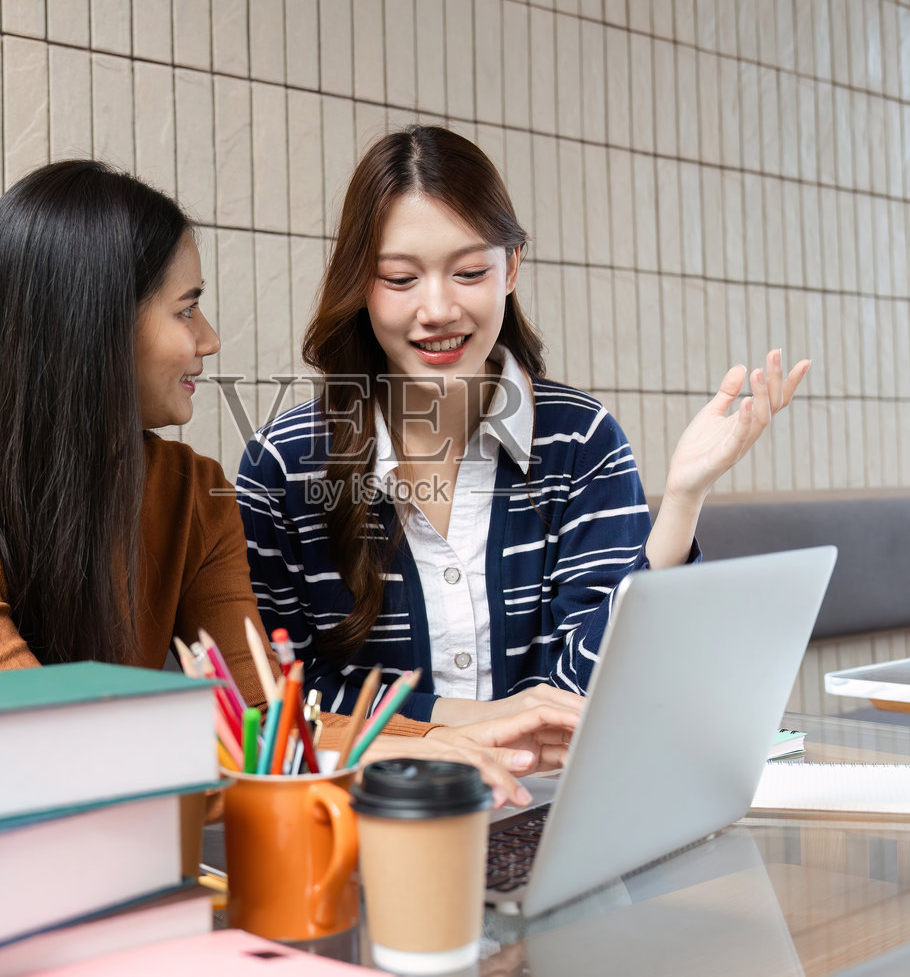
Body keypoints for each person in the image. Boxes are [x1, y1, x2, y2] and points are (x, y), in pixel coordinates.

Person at [0, 159, 574, 806]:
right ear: (95, 327)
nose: (209, 339)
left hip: (100, 857)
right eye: (187, 309)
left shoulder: (189, 490)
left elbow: (261, 719)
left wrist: (441, 738)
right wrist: (379, 755)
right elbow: (39, 743)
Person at [237, 126, 808, 726]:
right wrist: (472, 721)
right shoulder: (284, 465)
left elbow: (593, 689)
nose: (437, 310)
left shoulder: (581, 440)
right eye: (401, 279)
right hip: (373, 810)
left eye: (469, 273)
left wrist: (685, 498)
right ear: (360, 284)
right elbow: (278, 693)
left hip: (552, 804)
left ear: (511, 267)